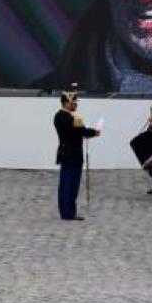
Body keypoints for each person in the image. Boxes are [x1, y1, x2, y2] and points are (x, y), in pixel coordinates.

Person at [54, 87, 101, 220]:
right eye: (73, 102)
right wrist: (95, 132)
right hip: (74, 154)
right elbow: (83, 131)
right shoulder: (73, 118)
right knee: (71, 185)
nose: (76, 105)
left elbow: (78, 131)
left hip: (64, 153)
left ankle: (65, 211)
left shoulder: (58, 116)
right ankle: (69, 213)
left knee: (64, 184)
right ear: (66, 103)